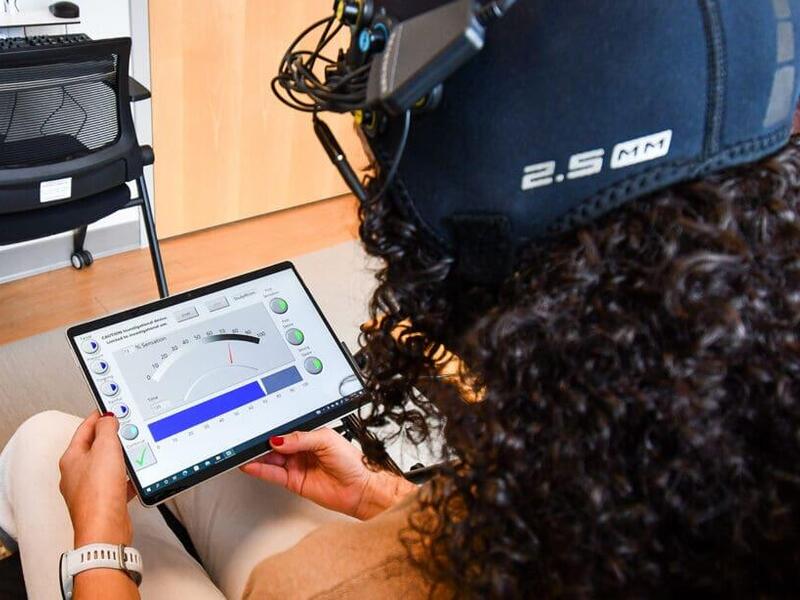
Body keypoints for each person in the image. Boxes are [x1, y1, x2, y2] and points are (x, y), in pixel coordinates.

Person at [2, 1, 800, 597]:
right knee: (218, 461)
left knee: (47, 445)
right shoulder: (669, 453)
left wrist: (101, 537)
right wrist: (379, 493)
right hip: (411, 538)